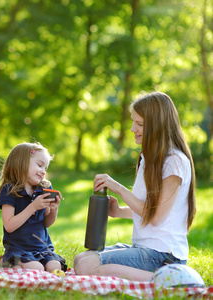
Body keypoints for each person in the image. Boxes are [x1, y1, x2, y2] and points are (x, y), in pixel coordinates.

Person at [74, 91, 196, 281]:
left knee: (86, 265)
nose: (132, 129)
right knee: (82, 258)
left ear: (157, 126)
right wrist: (118, 211)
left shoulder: (175, 163)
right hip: (144, 249)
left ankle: (168, 279)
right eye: (133, 122)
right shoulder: (149, 159)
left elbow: (155, 216)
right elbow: (149, 210)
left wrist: (119, 188)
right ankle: (151, 278)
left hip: (164, 255)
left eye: (139, 124)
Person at [0, 142, 67, 272]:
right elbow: (9, 226)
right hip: (19, 249)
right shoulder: (10, 190)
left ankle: (15, 265)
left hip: (42, 248)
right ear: (21, 162)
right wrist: (33, 207)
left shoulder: (44, 188)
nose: (43, 171)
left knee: (55, 267)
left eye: (45, 168)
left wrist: (54, 209)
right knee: (37, 268)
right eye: (40, 165)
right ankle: (9, 261)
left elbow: (46, 223)